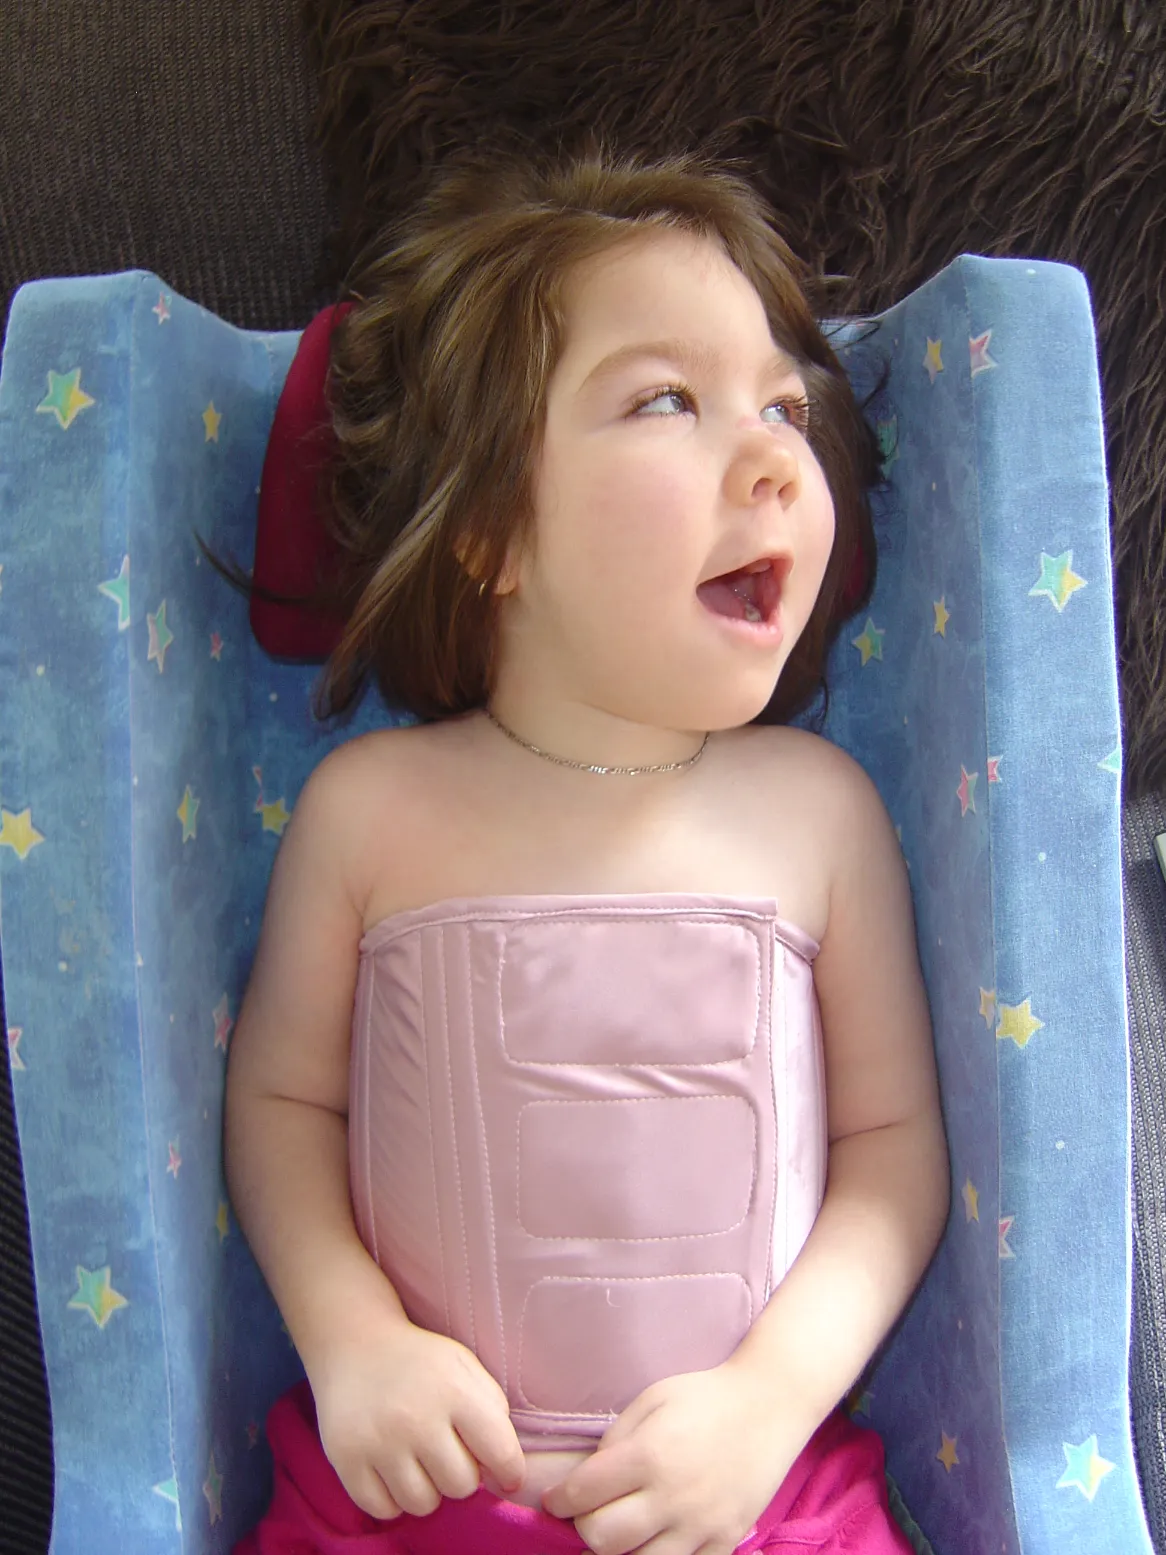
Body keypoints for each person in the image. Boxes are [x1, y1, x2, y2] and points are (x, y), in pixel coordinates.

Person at [226, 146, 950, 1555]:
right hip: (416, 1493)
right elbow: (280, 1106)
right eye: (667, 398)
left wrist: (766, 1401)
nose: (773, 460)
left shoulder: (819, 812)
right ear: (490, 527)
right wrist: (354, 1338)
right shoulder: (373, 811)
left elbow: (890, 1149)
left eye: (787, 408)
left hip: (754, 1492)